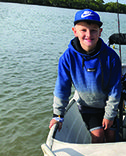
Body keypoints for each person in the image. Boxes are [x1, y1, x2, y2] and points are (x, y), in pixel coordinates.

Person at [49, 9, 122, 143]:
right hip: (87, 107)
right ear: (75, 31)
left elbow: (115, 89)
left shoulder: (112, 57)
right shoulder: (67, 58)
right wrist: (58, 114)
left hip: (108, 104)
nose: (89, 34)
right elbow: (62, 88)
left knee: (112, 136)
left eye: (93, 30)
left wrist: (110, 115)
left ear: (100, 32)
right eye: (83, 30)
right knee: (98, 135)